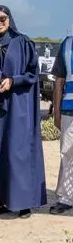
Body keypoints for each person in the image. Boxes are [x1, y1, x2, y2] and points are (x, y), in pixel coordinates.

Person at [0, 5, 46, 217]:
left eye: (2, 18)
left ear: (9, 19)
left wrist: (13, 80)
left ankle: (23, 202)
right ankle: (0, 201)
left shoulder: (22, 42)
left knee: (17, 151)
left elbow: (33, 74)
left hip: (18, 106)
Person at [51, 32, 73, 213]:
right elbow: (59, 81)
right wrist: (56, 111)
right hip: (69, 108)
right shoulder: (66, 44)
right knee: (67, 152)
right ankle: (66, 197)